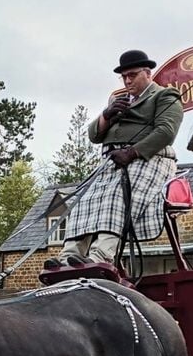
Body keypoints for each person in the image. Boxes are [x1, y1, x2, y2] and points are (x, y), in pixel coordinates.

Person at [46, 49, 184, 269]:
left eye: (133, 75)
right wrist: (107, 115)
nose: (127, 80)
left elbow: (166, 132)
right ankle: (68, 258)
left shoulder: (164, 96)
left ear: (147, 73)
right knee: (84, 199)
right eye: (124, 76)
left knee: (115, 195)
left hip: (148, 157)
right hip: (112, 160)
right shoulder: (118, 100)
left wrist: (131, 152)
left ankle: (100, 255)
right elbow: (94, 135)